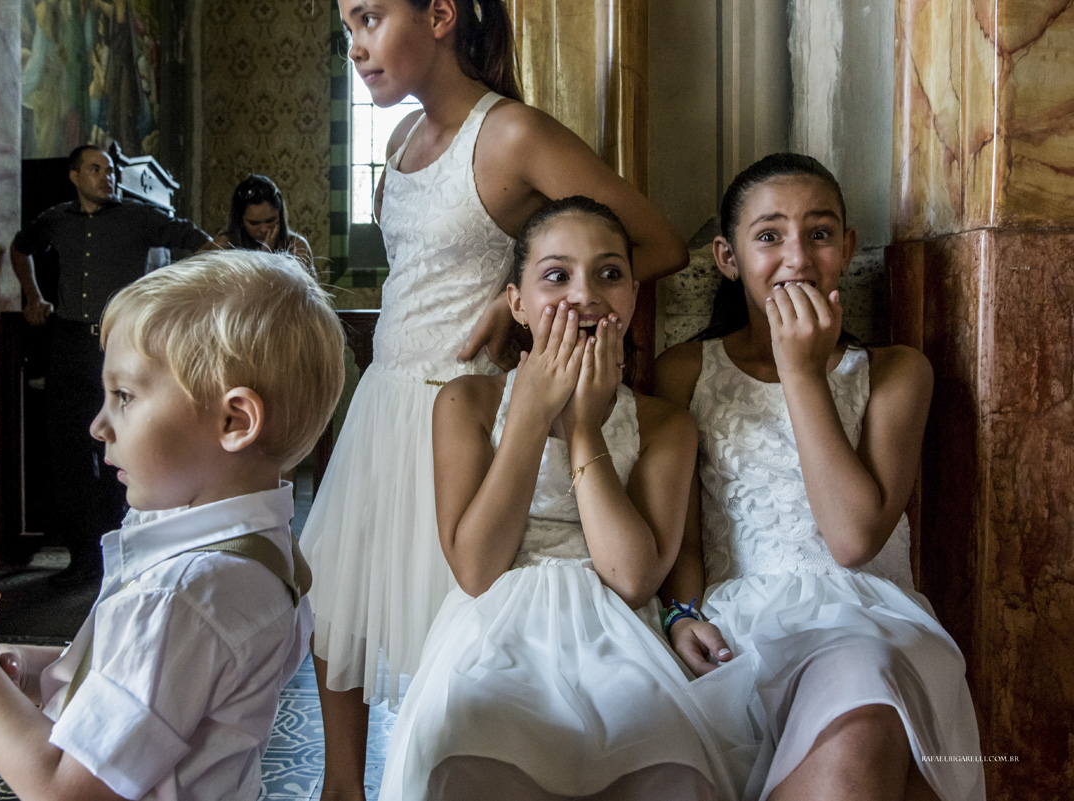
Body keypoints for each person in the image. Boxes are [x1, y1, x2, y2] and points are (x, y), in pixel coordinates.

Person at [304, 1, 689, 794]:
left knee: (444, 615)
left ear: (441, 15)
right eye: (347, 26)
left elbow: (656, 242)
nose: (357, 46)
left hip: (461, 403)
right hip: (386, 398)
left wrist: (502, 302)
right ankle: (342, 785)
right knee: (342, 598)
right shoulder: (404, 142)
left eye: (370, 17)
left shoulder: (508, 132)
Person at [0, 250, 347, 801]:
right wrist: (34, 668)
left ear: (233, 421)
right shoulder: (261, 549)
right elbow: (160, 681)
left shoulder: (184, 595)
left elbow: (61, 789)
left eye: (124, 396)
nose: (99, 425)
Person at [654, 153, 984, 801]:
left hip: (865, 618)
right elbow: (684, 534)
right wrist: (679, 613)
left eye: (821, 232)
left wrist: (802, 372)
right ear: (728, 257)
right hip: (740, 624)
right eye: (769, 235)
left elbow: (854, 538)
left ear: (848, 246)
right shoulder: (684, 371)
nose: (798, 257)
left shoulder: (894, 371)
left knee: (867, 700)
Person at [378, 197, 732, 800]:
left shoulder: (665, 424)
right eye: (556, 275)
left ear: (632, 298)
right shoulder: (467, 403)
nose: (585, 294)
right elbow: (477, 568)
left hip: (618, 632)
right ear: (517, 303)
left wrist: (586, 428)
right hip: (494, 629)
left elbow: (631, 578)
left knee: (653, 758)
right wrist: (531, 415)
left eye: (610, 273)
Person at [11, 144, 212, 584]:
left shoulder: (138, 216)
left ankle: (122, 552)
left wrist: (169, 305)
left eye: (112, 170)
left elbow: (199, 241)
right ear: (74, 176)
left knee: (121, 449)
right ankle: (81, 557)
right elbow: (20, 248)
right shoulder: (55, 219)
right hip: (67, 345)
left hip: (119, 347)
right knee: (69, 450)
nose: (108, 177)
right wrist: (33, 296)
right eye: (96, 169)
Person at [213, 174, 315, 275]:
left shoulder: (296, 246)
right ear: (240, 221)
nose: (264, 229)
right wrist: (263, 256)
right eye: (254, 223)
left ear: (280, 216)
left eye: (271, 220)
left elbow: (304, 289)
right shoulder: (224, 244)